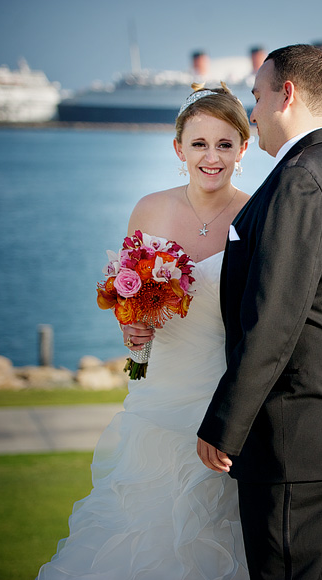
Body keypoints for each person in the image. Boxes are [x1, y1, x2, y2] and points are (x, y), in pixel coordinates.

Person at [37, 83, 252, 579]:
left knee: (215, 528)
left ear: (243, 148)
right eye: (199, 144)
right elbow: (127, 297)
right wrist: (132, 331)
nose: (212, 157)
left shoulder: (257, 215)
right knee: (139, 518)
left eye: (225, 144)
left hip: (221, 393)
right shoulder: (149, 209)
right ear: (178, 149)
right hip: (157, 393)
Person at [195, 44, 322, 580]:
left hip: (298, 437)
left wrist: (225, 426)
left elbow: (274, 319)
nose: (251, 111)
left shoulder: (301, 180)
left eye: (256, 96)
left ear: (287, 94)